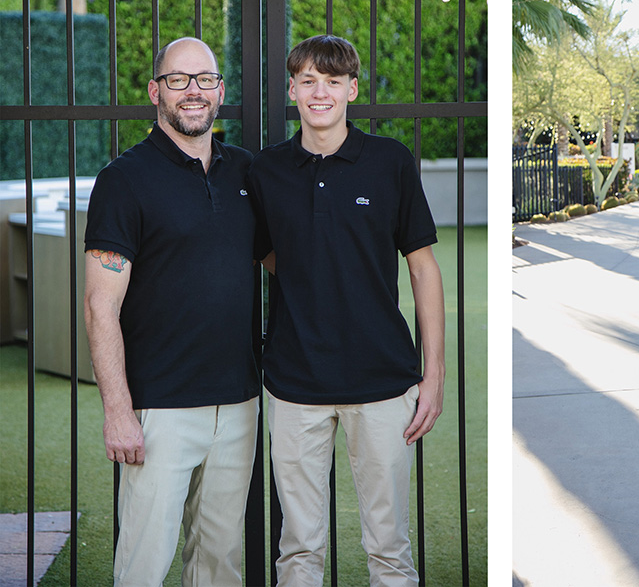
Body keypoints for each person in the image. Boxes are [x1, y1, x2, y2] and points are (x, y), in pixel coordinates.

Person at [246, 35, 445, 587]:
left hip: (382, 382)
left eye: (333, 81)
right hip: (294, 383)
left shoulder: (390, 163)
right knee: (299, 550)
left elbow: (423, 269)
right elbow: (264, 249)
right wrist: (313, 273)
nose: (320, 92)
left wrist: (434, 374)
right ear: (291, 89)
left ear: (352, 89)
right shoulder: (266, 171)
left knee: (388, 548)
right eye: (308, 80)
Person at [83, 37, 259, 586]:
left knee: (219, 565)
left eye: (204, 79)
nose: (193, 91)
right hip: (159, 410)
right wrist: (118, 411)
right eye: (179, 80)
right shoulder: (123, 180)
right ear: (156, 90)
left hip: (238, 405)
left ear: (220, 91)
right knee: (143, 564)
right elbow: (99, 306)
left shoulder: (245, 173)